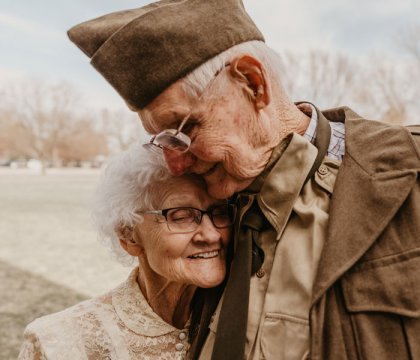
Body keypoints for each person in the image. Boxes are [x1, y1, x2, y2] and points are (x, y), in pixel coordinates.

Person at [68, 1, 420, 359]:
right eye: (165, 140)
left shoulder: (410, 168)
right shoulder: (211, 198)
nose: (175, 165)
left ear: (253, 83)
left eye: (186, 128)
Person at [18, 143, 235, 359]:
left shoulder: (246, 316)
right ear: (129, 235)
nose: (212, 234)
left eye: (219, 212)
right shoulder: (59, 344)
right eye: (181, 216)